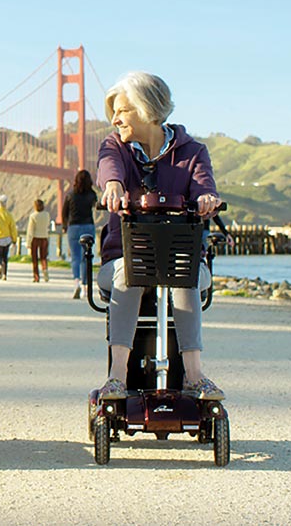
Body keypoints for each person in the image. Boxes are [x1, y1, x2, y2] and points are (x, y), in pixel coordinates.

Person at [96, 71, 224, 401]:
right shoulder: (115, 147)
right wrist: (113, 185)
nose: (114, 119)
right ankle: (117, 378)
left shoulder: (193, 152)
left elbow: (204, 186)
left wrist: (207, 198)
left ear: (146, 109)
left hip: (178, 256)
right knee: (130, 273)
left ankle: (195, 376)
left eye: (121, 110)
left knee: (187, 272)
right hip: (126, 257)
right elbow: (109, 169)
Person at [61, 169, 97, 299]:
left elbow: (64, 213)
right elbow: (96, 205)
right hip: (88, 226)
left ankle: (76, 282)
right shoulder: (92, 195)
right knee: (86, 258)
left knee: (75, 257)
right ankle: (84, 286)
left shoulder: (70, 195)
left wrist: (65, 226)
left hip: (73, 227)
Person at [26, 199, 51, 282]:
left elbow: (30, 231)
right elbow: (47, 225)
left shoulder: (33, 216)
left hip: (35, 238)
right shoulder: (47, 215)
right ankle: (45, 269)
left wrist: (28, 242)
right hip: (44, 237)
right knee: (43, 257)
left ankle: (36, 276)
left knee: (35, 259)